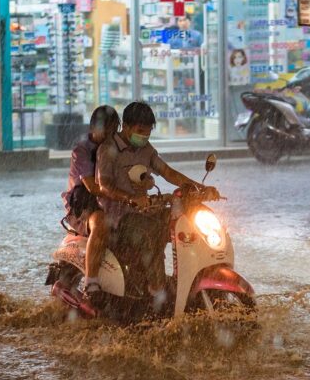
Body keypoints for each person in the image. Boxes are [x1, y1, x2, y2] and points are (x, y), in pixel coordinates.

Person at [96, 101, 216, 307]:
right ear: (126, 126)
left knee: (183, 221)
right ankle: (157, 291)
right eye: (140, 131)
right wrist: (130, 198)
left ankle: (187, 280)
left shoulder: (146, 149)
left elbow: (167, 172)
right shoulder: (108, 149)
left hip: (145, 211)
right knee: (150, 231)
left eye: (148, 133)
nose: (144, 137)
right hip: (119, 218)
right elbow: (104, 186)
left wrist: (199, 189)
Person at [61, 105, 121, 299]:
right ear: (93, 127)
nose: (109, 135)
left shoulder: (118, 148)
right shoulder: (82, 151)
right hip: (84, 206)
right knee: (101, 223)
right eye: (106, 129)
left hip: (110, 202)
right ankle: (91, 282)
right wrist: (126, 196)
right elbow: (93, 188)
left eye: (113, 130)